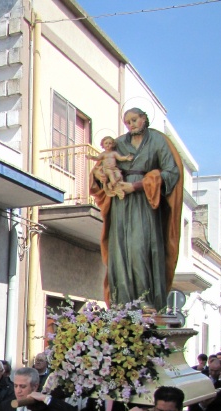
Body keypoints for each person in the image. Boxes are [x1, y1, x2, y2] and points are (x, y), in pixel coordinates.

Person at [91, 107, 183, 311]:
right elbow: (99, 168)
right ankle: (121, 303)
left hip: (145, 202)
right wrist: (99, 175)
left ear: (144, 119)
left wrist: (138, 185)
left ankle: (144, 300)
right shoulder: (118, 143)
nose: (131, 125)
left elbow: (171, 172)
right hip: (120, 203)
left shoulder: (157, 141)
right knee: (119, 251)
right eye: (127, 122)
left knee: (139, 248)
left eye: (134, 120)